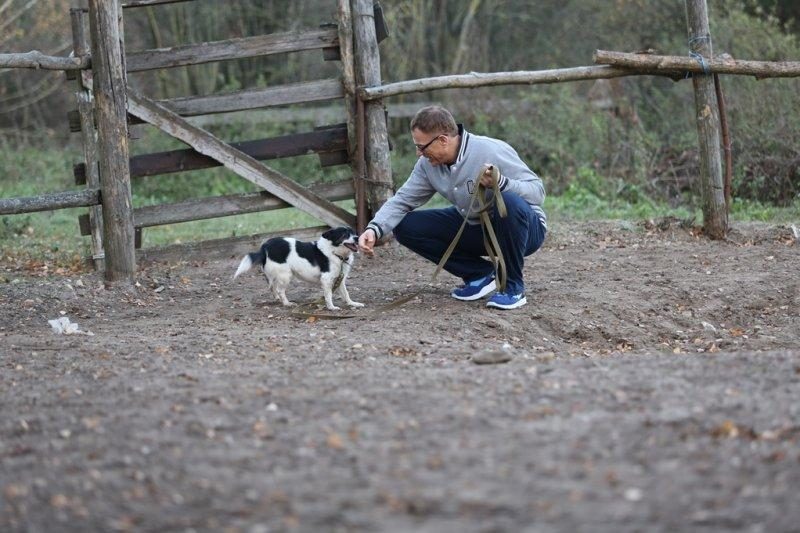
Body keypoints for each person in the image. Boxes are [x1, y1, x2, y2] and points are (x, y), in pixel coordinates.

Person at [358, 105, 546, 310]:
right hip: (477, 227)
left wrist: (501, 183)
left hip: (525, 231)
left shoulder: (491, 150)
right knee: (406, 225)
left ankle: (512, 288)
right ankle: (480, 274)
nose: (418, 153)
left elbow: (537, 192)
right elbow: (402, 199)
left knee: (510, 201)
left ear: (443, 140)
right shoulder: (427, 165)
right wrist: (374, 228)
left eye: (421, 147)